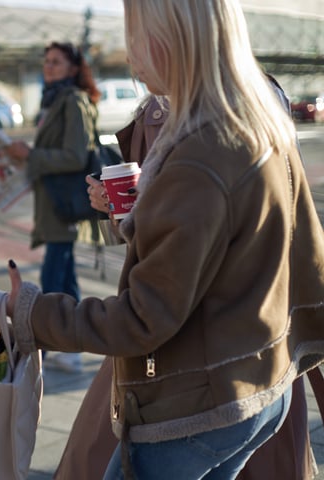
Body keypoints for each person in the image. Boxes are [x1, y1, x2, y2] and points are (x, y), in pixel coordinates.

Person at [0, 0, 324, 478]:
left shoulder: (199, 153)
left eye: (136, 36)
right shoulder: (253, 121)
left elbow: (141, 321)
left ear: (178, 38)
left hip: (194, 405)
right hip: (259, 384)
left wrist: (30, 313)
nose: (129, 57)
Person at [58, 92, 318, 479]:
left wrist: (31, 316)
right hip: (231, 337)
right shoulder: (170, 105)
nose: (134, 58)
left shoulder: (220, 106)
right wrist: (119, 212)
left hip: (205, 348)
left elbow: (181, 249)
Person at [2, 41, 101, 374]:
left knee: (53, 275)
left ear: (73, 69)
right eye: (46, 62)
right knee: (65, 272)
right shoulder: (55, 100)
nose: (49, 67)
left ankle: (57, 344)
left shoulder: (73, 101)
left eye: (57, 62)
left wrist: (30, 155)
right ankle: (72, 346)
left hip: (65, 204)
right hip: (54, 202)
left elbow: (76, 156)